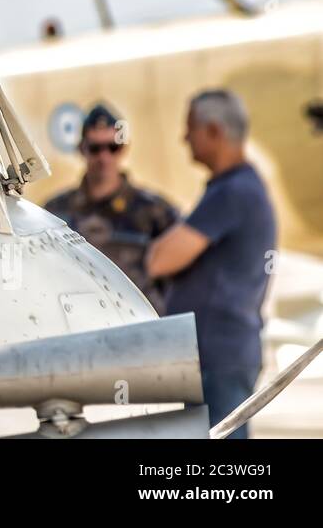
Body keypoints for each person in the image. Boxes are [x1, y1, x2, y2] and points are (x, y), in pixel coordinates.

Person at [147, 89, 277, 439]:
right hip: (220, 355)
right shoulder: (238, 188)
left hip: (218, 360)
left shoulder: (232, 193)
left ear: (215, 131)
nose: (184, 137)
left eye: (191, 128)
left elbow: (160, 260)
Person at [45, 104, 179, 313]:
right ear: (82, 149)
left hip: (143, 326)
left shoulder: (156, 212)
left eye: (112, 147)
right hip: (78, 323)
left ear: (124, 149)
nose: (104, 157)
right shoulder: (54, 213)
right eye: (95, 148)